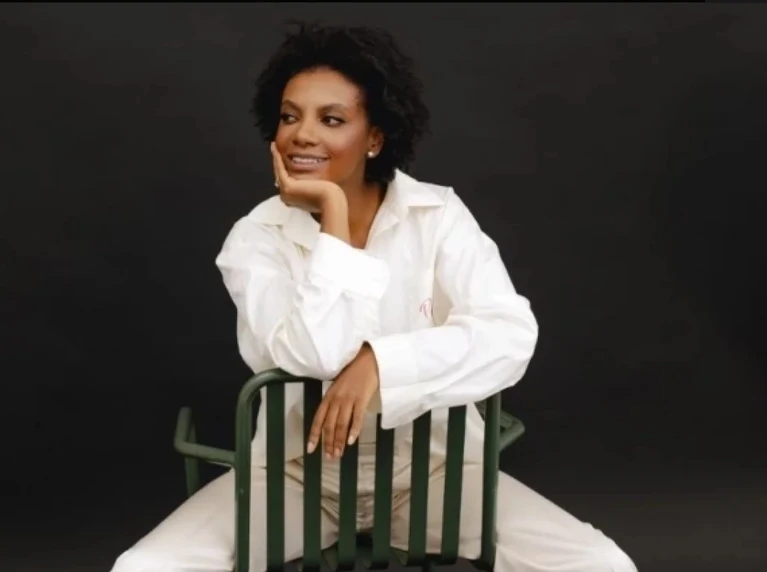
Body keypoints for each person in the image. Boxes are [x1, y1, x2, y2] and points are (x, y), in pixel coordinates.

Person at [111, 21, 637, 572]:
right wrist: (334, 215)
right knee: (144, 568)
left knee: (601, 564)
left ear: (375, 138)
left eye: (331, 119)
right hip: (293, 477)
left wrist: (381, 365)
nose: (302, 134)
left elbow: (509, 336)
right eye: (290, 116)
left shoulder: (437, 215)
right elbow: (315, 356)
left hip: (436, 475)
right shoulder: (255, 237)